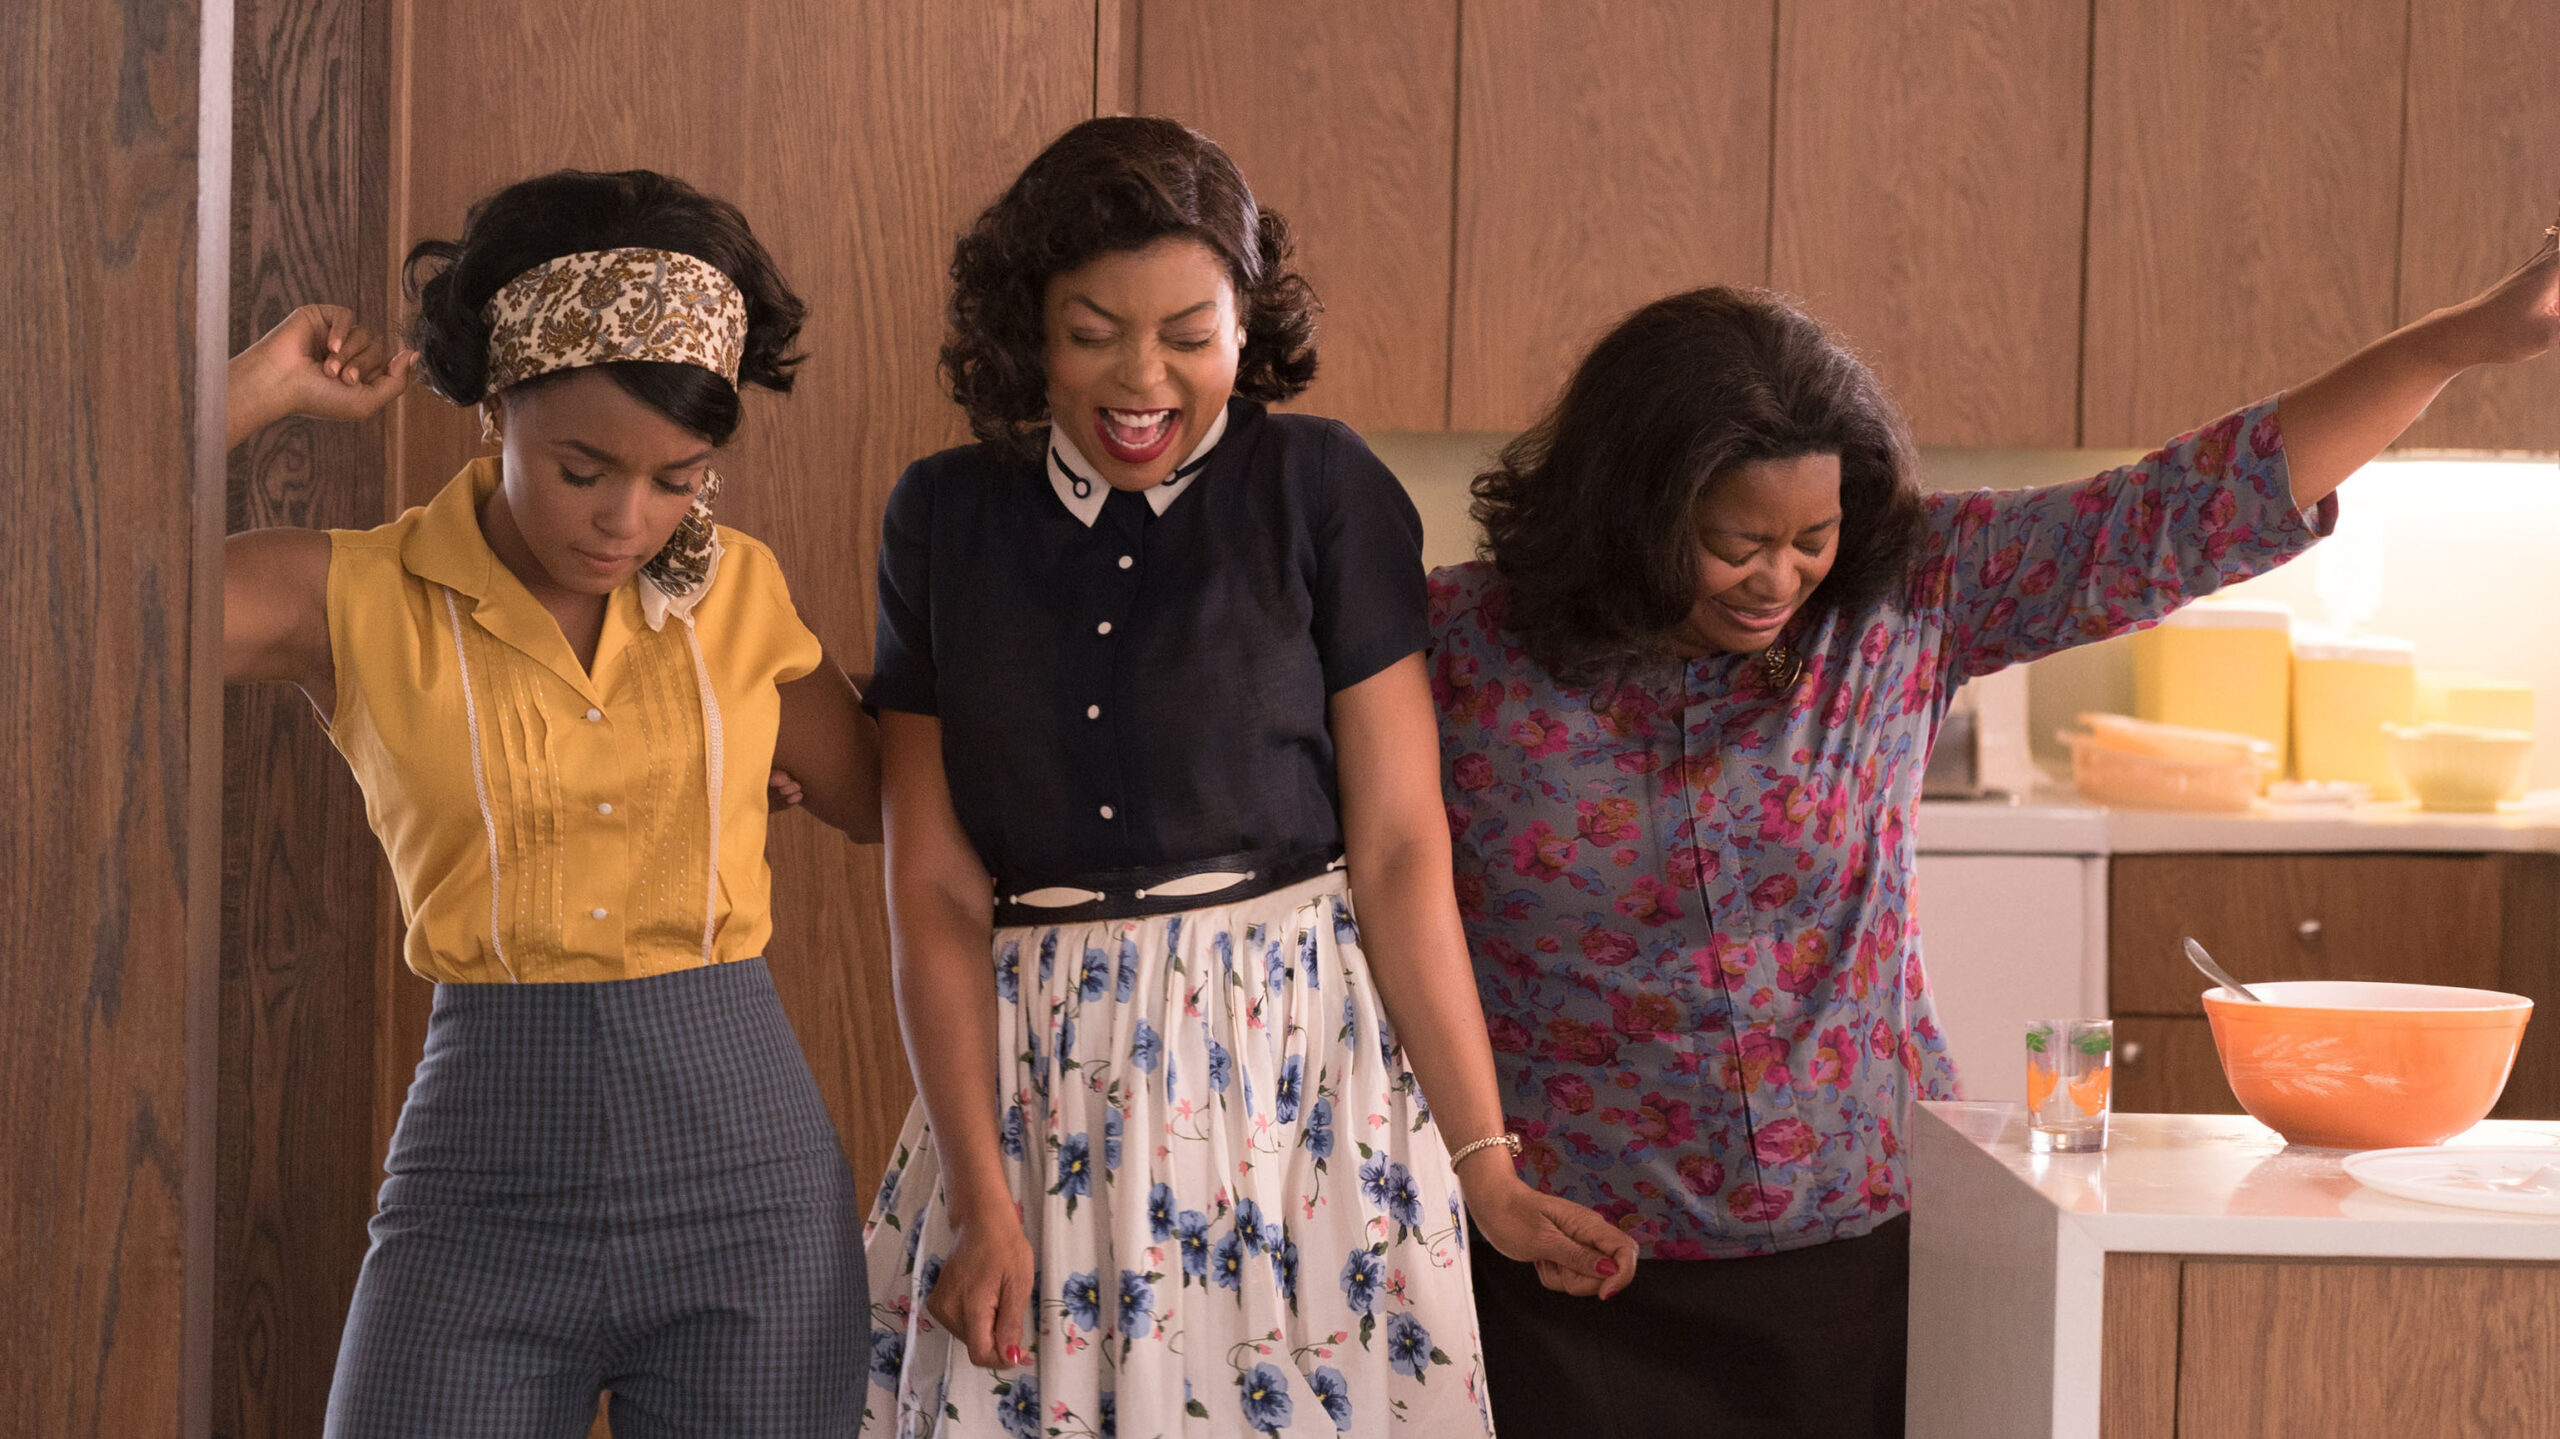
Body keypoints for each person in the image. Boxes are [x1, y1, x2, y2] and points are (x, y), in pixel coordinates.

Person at [1428, 219, 2560, 1437]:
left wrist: (2463, 340)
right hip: (1568, 1255)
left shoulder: (1907, 593)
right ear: (1629, 511)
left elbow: (2180, 508)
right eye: (1735, 543)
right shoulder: (1457, 648)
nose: (1780, 577)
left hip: (1863, 1244)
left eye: (1811, 538)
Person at [858, 116, 1636, 1439]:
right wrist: (987, 1201)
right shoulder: (942, 515)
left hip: (1299, 1080)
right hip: (1037, 1087)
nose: (1141, 377)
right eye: (1091, 329)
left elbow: (1396, 848)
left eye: (1190, 331)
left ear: (1247, 324)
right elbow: (931, 882)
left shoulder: (1322, 485)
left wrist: (1486, 1166)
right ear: (1024, 332)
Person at [221, 168, 882, 1439]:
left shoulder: (742, 592)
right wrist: (255, 385)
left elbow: (884, 802)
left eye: (679, 479)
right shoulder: (352, 596)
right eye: (582, 466)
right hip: (480, 1186)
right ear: (498, 402)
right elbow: (76, 574)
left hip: (752, 1191)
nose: (626, 518)